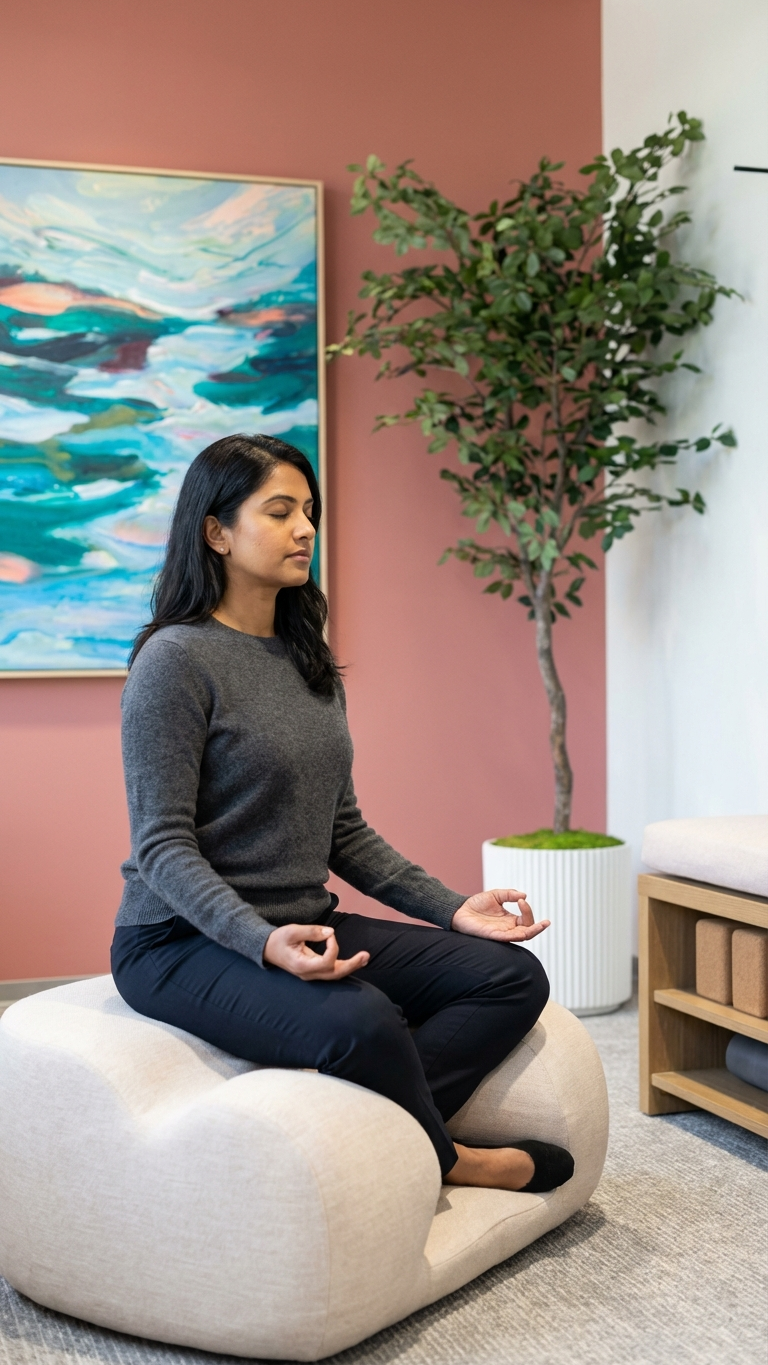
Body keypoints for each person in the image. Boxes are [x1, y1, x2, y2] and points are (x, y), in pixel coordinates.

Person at [111, 433, 573, 1194]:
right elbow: (162, 845)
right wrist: (262, 944)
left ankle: (393, 1131)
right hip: (176, 942)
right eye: (281, 511)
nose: (306, 530)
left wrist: (456, 909)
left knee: (511, 977)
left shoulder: (309, 660)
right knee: (361, 1020)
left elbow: (344, 831)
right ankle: (450, 1158)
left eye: (311, 512)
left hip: (306, 918)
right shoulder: (175, 661)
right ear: (216, 531)